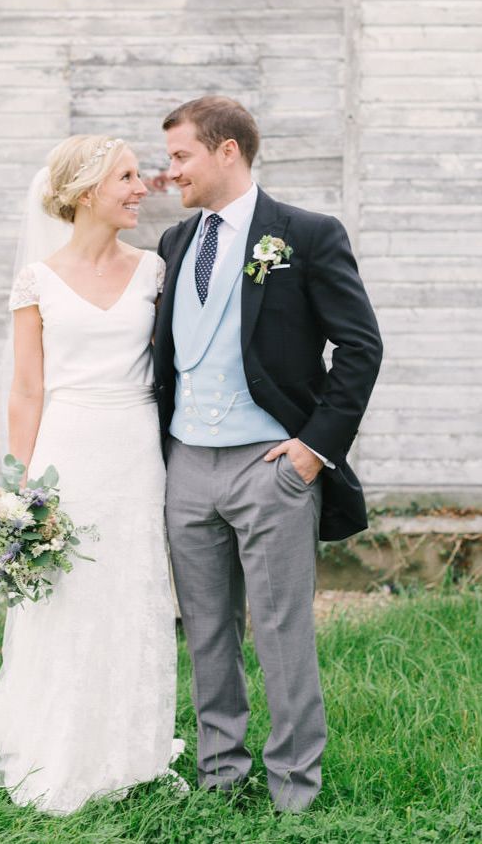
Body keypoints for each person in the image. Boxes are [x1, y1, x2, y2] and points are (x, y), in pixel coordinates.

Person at [0, 135, 183, 815]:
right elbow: (26, 390)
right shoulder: (38, 280)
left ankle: (130, 744)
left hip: (136, 446)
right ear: (87, 193)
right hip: (69, 448)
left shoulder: (154, 270)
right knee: (68, 596)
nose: (141, 187)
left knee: (132, 587)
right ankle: (58, 739)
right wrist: (18, 489)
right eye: (125, 177)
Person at [154, 96, 383, 812]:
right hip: (186, 466)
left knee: (283, 631)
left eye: (180, 155)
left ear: (228, 151)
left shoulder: (305, 235)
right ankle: (219, 778)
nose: (170, 173)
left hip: (271, 465)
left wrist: (313, 451)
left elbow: (360, 347)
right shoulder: (173, 244)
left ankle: (294, 792)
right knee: (206, 630)